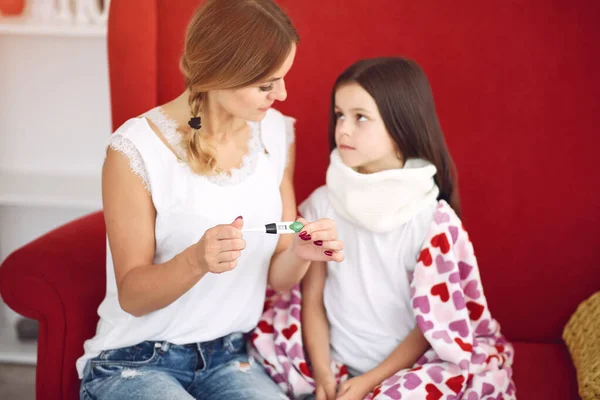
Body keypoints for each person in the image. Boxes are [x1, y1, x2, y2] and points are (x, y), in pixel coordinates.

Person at [76, 1, 343, 399]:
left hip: (230, 359)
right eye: (267, 84)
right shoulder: (135, 150)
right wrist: (196, 260)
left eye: (283, 78)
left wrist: (303, 253)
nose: (283, 94)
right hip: (134, 362)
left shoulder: (275, 133)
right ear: (220, 74)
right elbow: (132, 296)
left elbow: (275, 276)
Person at [251, 57, 515, 400]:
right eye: (340, 114)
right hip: (336, 362)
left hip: (407, 368)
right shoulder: (322, 205)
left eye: (361, 117)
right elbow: (311, 301)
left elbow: (432, 323)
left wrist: (369, 382)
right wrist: (323, 378)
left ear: (400, 127)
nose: (343, 128)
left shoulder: (431, 219)